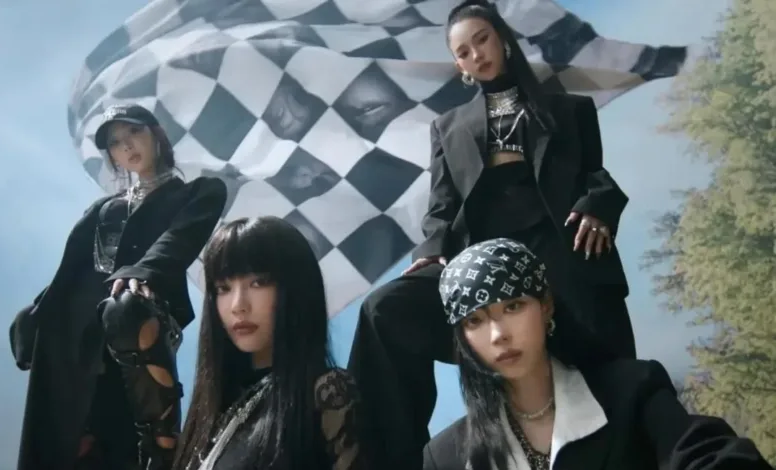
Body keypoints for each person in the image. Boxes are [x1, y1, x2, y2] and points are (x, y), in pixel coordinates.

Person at [348, 1, 635, 469]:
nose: (476, 54)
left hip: (557, 246)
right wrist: (432, 252)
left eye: (481, 40)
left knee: (605, 368)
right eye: (462, 52)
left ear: (502, 39)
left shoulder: (569, 110)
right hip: (477, 265)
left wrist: (599, 207)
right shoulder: (447, 128)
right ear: (459, 66)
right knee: (384, 308)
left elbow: (595, 176)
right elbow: (441, 208)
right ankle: (387, 459)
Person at [423, 238, 771, 470]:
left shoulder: (632, 391)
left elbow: (708, 455)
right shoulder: (446, 457)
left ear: (546, 306)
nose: (498, 335)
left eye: (513, 307)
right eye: (475, 320)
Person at [9, 103, 228, 470]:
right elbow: (72, 270)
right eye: (115, 143)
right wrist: (36, 315)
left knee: (133, 445)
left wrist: (143, 272)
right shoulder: (102, 208)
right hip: (78, 339)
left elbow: (178, 238)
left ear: (156, 134)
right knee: (67, 446)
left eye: (134, 132)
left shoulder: (198, 193)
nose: (126, 146)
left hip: (134, 327)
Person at [172, 217, 372, 470]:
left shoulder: (326, 393)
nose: (238, 305)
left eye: (258, 283)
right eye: (223, 288)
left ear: (296, 290)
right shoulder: (216, 402)